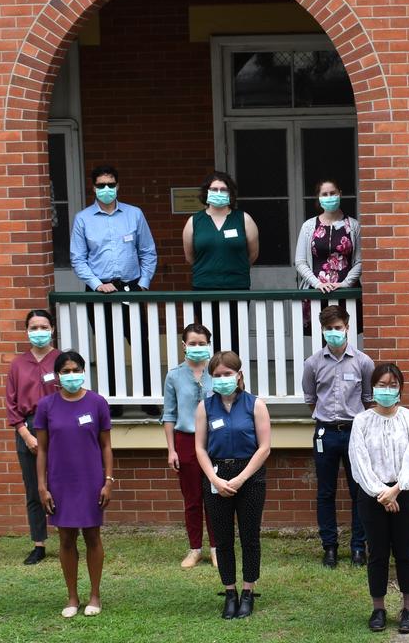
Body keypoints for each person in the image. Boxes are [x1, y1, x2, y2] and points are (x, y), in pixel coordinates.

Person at [69, 165, 157, 411]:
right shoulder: (83, 219)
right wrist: (97, 284)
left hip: (131, 289)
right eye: (100, 185)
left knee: (140, 343)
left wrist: (143, 284)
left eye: (110, 184)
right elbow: (78, 258)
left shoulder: (134, 214)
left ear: (118, 186)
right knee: (107, 345)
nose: (106, 189)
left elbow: (148, 251)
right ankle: (113, 401)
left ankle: (147, 398)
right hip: (99, 292)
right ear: (93, 187)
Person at [35, 351, 114, 618]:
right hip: (60, 481)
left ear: (83, 371)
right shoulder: (46, 406)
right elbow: (42, 450)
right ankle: (71, 597)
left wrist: (108, 480)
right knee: (66, 538)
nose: (71, 375)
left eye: (76, 369)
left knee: (92, 536)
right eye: (66, 371)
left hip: (91, 480)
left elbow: (106, 446)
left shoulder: (97, 403)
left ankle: (95, 595)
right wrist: (42, 486)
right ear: (57, 375)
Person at [349, 363, 409, 635]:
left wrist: (396, 489)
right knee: (377, 554)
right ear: (372, 387)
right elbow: (359, 461)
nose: (387, 390)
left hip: (404, 494)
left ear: (400, 388)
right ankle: (378, 609)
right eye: (381, 385)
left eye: (392, 385)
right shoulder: (362, 421)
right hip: (371, 496)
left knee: (405, 553)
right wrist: (381, 493)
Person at [195, 351, 272, 620]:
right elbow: (200, 448)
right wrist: (215, 479)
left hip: (249, 475)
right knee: (223, 539)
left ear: (239, 375)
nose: (222, 379)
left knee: (250, 537)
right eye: (217, 375)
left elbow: (264, 448)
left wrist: (241, 478)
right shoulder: (205, 407)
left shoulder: (255, 405)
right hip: (217, 474)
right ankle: (230, 592)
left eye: (227, 374)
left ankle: (248, 591)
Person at [302, 304, 374, 568]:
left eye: (338, 328)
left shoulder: (363, 362)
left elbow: (367, 399)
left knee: (359, 491)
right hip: (325, 433)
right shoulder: (312, 364)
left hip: (354, 432)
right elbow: (311, 399)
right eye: (328, 329)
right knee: (326, 492)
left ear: (347, 327)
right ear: (322, 330)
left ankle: (358, 547)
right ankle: (329, 547)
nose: (334, 332)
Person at [4, 309, 61, 565]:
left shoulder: (61, 360)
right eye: (34, 327)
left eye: (44, 327)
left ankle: (67, 535)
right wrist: (26, 435)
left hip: (58, 426)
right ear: (27, 331)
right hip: (28, 427)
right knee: (34, 487)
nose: (39, 332)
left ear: (52, 329)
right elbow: (11, 404)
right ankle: (39, 543)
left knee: (62, 484)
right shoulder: (18, 364)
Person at [183, 171, 259, 351]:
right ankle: (212, 378)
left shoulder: (243, 219)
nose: (218, 193)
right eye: (214, 189)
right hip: (204, 289)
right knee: (208, 339)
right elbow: (190, 257)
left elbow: (253, 254)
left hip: (237, 289)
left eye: (223, 189)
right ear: (206, 192)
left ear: (230, 193)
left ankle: (233, 378)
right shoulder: (194, 221)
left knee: (235, 340)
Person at [161, 323, 216, 568]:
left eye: (202, 343)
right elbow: (169, 414)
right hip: (186, 440)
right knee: (192, 498)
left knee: (215, 496)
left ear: (208, 345)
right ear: (184, 345)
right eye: (192, 343)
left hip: (216, 440)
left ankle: (217, 548)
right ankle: (195, 548)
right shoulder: (174, 375)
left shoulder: (217, 372)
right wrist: (172, 449)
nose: (197, 347)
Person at [295, 178, 363, 327]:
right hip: (317, 293)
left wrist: (345, 284)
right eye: (324, 194)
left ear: (340, 194)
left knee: (346, 335)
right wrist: (317, 283)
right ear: (319, 198)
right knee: (320, 336)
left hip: (347, 294)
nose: (329, 197)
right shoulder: (308, 226)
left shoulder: (353, 225)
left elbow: (360, 261)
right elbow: (300, 262)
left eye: (332, 193)